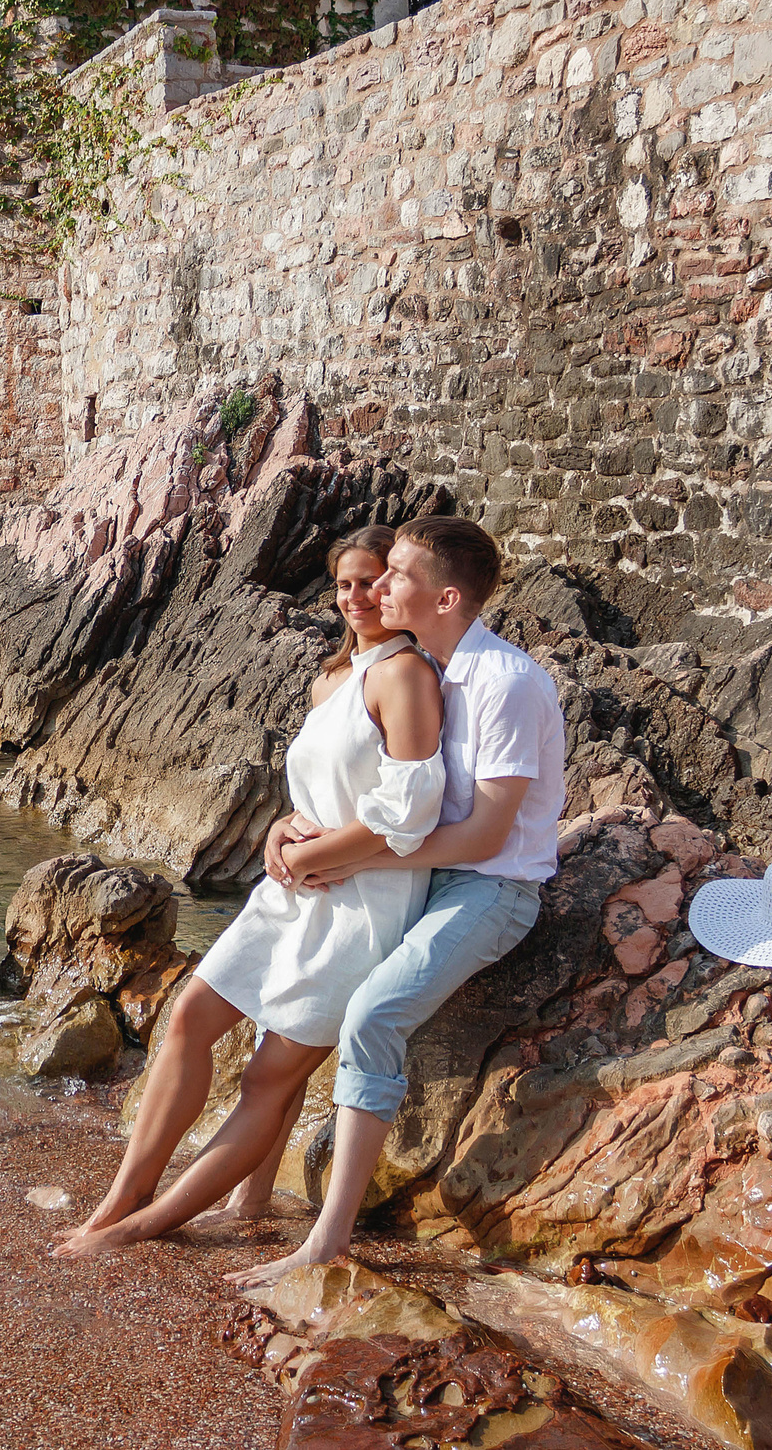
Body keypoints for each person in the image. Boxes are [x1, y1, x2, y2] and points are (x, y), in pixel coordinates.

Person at [53, 526, 445, 1258]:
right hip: (293, 888)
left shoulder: (405, 676)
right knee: (188, 1018)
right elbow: (323, 790)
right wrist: (280, 827)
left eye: (370, 581)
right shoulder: (333, 678)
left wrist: (314, 852)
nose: (356, 597)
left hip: (362, 901)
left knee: (270, 1076)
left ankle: (143, 1225)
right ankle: (124, 1194)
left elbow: (408, 814)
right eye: (344, 584)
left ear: (397, 585)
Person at [225, 514, 566, 1288]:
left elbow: (485, 834)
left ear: (445, 598)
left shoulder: (506, 682)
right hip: (421, 878)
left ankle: (328, 1238)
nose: (377, 586)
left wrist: (353, 857)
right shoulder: (425, 671)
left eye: (396, 574)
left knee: (372, 1015)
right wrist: (294, 832)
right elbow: (365, 791)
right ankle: (249, 1194)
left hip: (491, 887)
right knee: (300, 992)